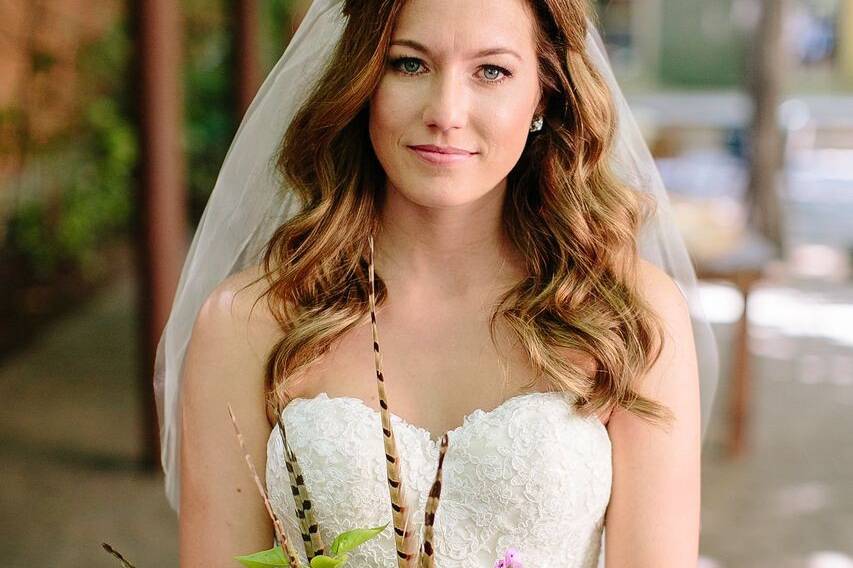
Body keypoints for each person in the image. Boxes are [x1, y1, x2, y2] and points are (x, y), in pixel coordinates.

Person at [158, 0, 720, 566]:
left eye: (492, 71)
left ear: (544, 94)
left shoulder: (628, 315)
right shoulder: (246, 323)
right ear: (364, 80)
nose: (446, 111)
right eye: (409, 64)